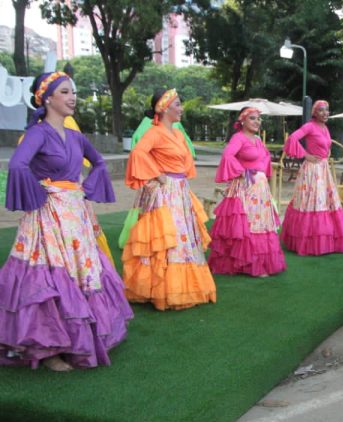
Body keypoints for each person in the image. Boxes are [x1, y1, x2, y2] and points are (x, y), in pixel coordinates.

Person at [0, 71, 133, 371]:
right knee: (48, 276)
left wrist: (86, 189)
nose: (72, 97)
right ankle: (49, 350)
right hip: (48, 217)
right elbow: (18, 164)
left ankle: (77, 341)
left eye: (73, 91)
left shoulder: (76, 137)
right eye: (64, 92)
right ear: (46, 98)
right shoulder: (38, 133)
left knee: (81, 272)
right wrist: (39, 194)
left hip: (76, 216)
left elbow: (98, 162)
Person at [122, 88, 217, 310]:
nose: (181, 109)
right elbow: (138, 153)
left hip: (180, 190)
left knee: (181, 236)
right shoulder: (154, 133)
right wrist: (157, 174)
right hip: (166, 193)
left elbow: (185, 160)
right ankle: (162, 289)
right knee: (168, 236)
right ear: (164, 108)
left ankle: (181, 287)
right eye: (178, 104)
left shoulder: (177, 134)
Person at [208, 107, 286, 276]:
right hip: (246, 187)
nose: (257, 122)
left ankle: (259, 263)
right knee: (246, 224)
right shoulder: (238, 138)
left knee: (260, 224)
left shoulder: (257, 139)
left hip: (260, 189)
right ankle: (242, 264)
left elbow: (264, 158)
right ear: (242, 120)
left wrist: (261, 174)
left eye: (258, 119)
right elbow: (227, 155)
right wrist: (241, 171)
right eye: (252, 118)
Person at [280, 100, 343, 255]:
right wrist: (305, 155)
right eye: (321, 110)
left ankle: (326, 240)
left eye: (327, 110)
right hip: (312, 170)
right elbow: (291, 139)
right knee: (312, 203)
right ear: (314, 113)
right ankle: (309, 243)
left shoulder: (324, 127)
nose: (325, 113)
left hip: (323, 169)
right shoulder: (309, 126)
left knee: (325, 202)